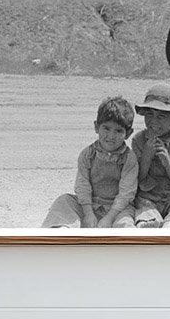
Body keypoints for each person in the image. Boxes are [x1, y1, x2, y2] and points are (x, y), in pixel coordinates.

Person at [42, 96, 138, 229]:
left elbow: (126, 192)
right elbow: (83, 185)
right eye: (106, 128)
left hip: (117, 209)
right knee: (64, 201)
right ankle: (62, 233)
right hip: (89, 205)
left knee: (126, 222)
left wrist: (109, 218)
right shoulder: (88, 154)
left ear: (128, 134)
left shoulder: (129, 158)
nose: (111, 136)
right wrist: (88, 213)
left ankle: (121, 245)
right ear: (96, 127)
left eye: (118, 131)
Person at [130, 83, 170, 229]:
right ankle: (151, 224)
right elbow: (136, 178)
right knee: (146, 215)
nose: (153, 121)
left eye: (161, 116)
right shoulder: (138, 139)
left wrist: (166, 161)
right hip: (148, 195)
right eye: (149, 114)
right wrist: (146, 156)